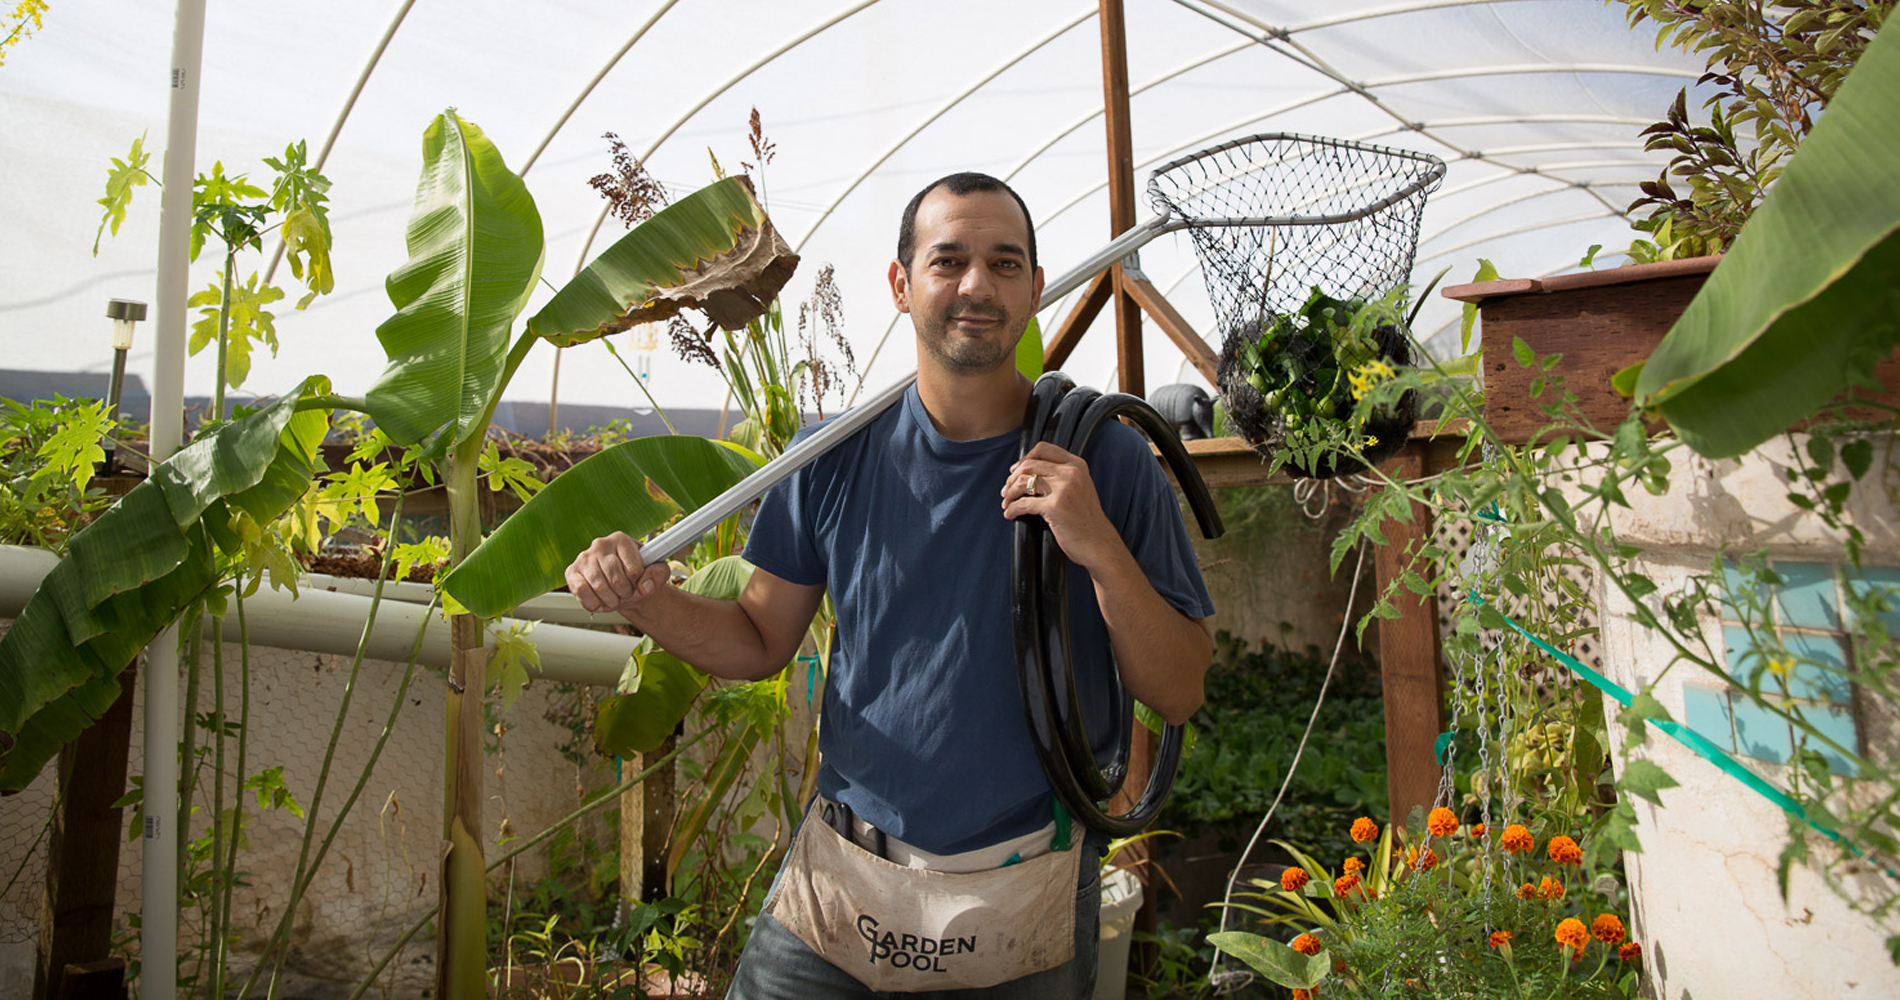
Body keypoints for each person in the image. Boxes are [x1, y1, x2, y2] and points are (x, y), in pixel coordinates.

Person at [565, 172, 1215, 998]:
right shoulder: (831, 454)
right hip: (844, 881)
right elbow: (761, 640)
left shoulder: (1107, 461)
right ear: (901, 286)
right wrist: (647, 600)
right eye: (948, 261)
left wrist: (1097, 547)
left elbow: (1180, 689)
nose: (977, 285)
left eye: (1005, 263)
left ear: (1035, 287)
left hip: (1024, 891)